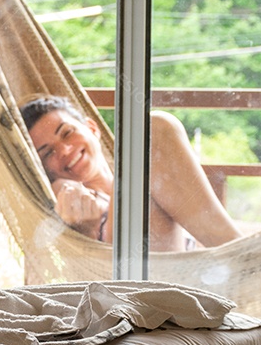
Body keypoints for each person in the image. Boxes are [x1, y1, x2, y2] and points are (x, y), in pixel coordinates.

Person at [20, 96, 241, 252]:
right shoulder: (67, 197)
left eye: (67, 133)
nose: (65, 150)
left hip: (191, 268)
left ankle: (238, 250)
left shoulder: (143, 175)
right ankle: (241, 252)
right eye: (48, 152)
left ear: (93, 128)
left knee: (149, 135)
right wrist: (82, 233)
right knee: (152, 129)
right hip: (134, 287)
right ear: (44, 168)